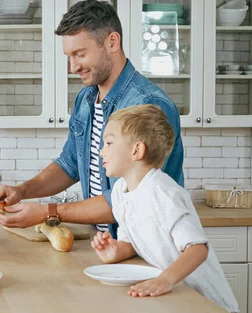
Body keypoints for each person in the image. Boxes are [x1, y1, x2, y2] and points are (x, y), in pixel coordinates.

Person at [0, 0, 184, 238]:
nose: (72, 67)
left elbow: (130, 198)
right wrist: (21, 191)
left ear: (112, 42)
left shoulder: (149, 104)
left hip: (148, 247)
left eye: (80, 54)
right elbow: (69, 164)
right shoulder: (86, 98)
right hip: (105, 244)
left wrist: (48, 212)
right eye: (69, 56)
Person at [91, 104, 238, 312]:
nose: (101, 150)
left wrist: (165, 279)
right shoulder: (120, 191)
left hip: (205, 300)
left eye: (109, 142)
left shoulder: (164, 193)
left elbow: (197, 249)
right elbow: (132, 241)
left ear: (136, 150)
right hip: (175, 296)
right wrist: (115, 251)